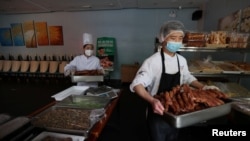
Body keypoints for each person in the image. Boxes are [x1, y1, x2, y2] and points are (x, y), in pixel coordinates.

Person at [129, 20, 219, 141]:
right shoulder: (152, 61)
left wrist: (203, 87)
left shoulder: (181, 60)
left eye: (180, 38)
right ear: (163, 39)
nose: (177, 42)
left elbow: (187, 77)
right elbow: (137, 84)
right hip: (158, 111)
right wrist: (152, 101)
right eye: (173, 38)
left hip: (177, 109)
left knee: (173, 137)